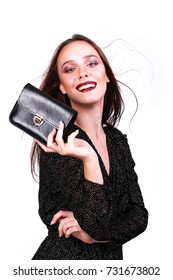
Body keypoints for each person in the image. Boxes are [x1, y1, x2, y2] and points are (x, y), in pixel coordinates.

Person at [31, 34, 148, 260]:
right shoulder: (60, 142)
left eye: (91, 63)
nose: (83, 72)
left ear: (106, 75)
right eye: (69, 69)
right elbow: (97, 224)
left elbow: (139, 215)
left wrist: (100, 236)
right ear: (62, 87)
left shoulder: (117, 140)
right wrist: (89, 158)